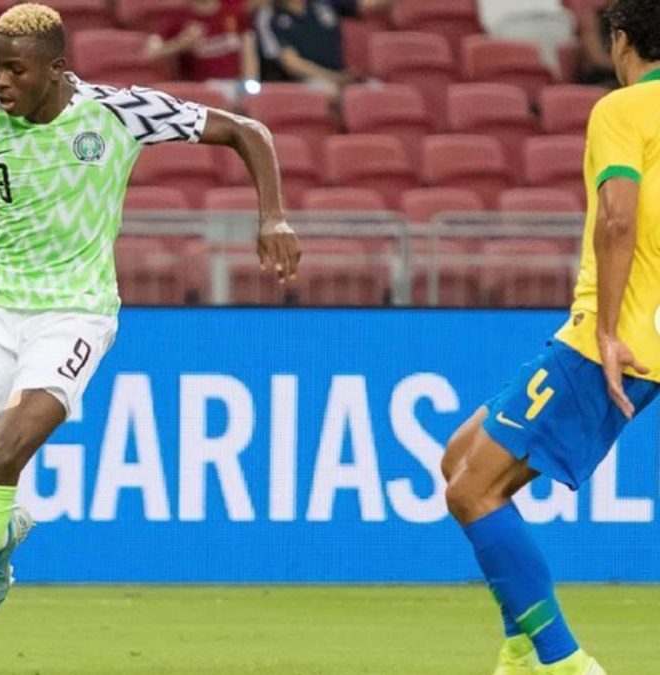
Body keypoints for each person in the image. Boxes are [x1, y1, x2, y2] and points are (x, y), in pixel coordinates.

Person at [0, 4, 298, 673]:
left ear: (57, 69)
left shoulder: (119, 113)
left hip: (75, 315)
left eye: (15, 70)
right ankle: (0, 531)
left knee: (2, 459)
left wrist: (273, 218)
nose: (0, 81)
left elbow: (247, 130)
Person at [441, 1, 660, 674]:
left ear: (620, 40)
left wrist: (608, 330)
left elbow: (618, 218)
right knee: (459, 459)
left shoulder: (623, 109)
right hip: (635, 337)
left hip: (606, 342)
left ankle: (563, 661)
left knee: (470, 492)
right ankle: (520, 647)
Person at [264, 0, 394, 98]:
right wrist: (333, 77)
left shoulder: (324, 3)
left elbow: (368, 4)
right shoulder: (272, 18)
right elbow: (292, 63)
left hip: (342, 75)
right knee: (331, 94)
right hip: (308, 80)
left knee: (380, 92)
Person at [143, 0, 259, 83]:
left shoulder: (234, 11)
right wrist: (180, 43)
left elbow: (249, 52)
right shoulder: (179, 18)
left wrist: (249, 83)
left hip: (236, 86)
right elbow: (150, 53)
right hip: (201, 91)